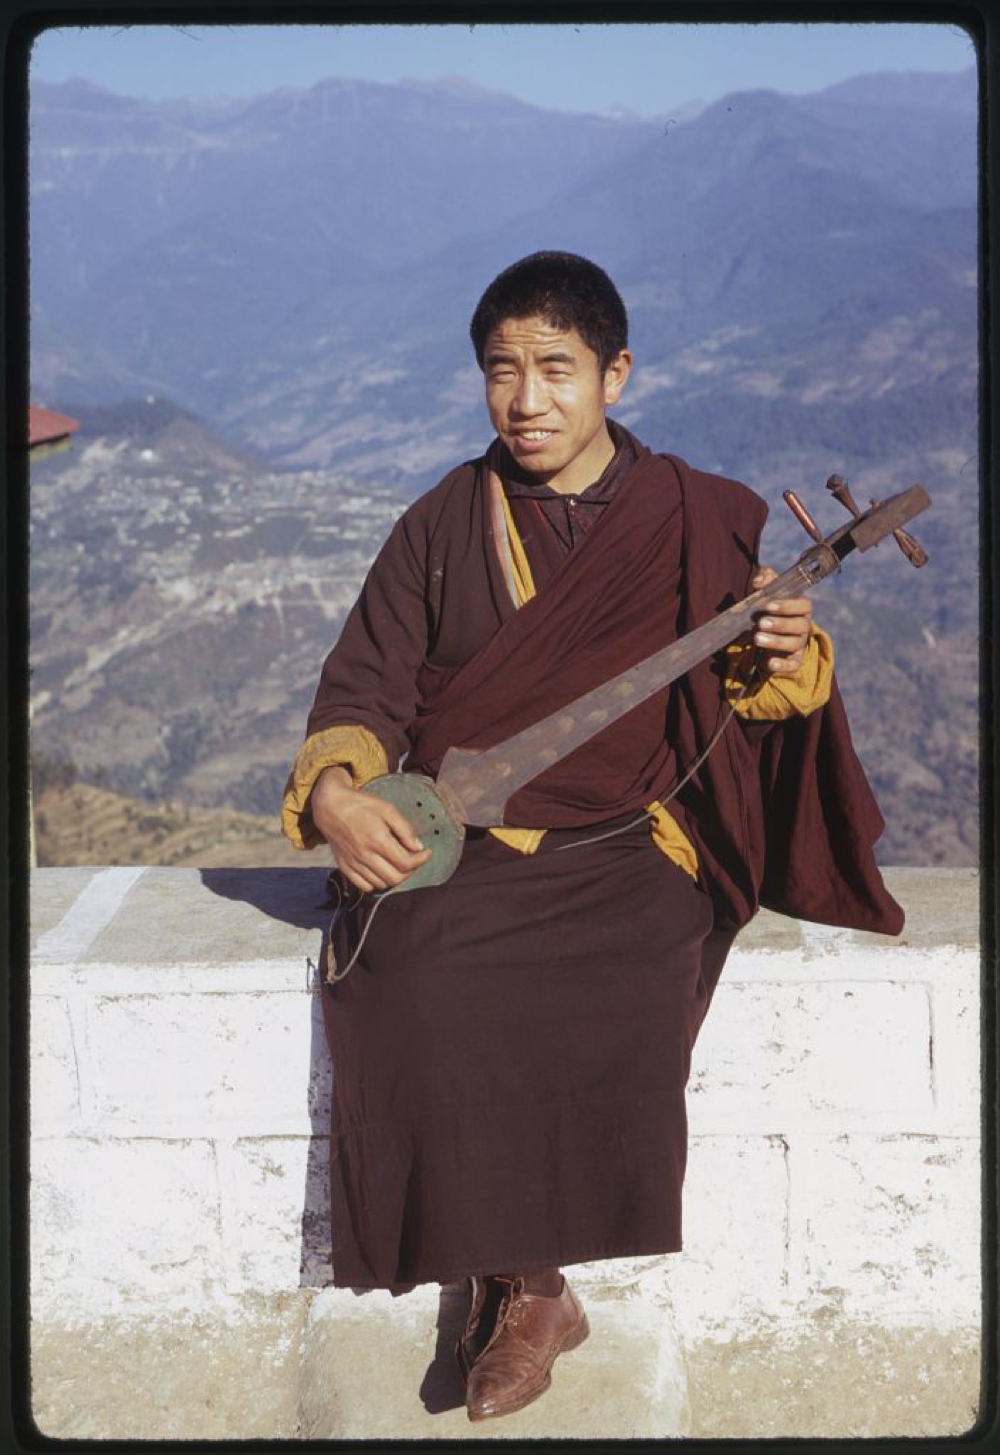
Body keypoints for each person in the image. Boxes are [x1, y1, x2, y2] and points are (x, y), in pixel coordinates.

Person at [281, 251, 902, 1422]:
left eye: (556, 370)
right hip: (477, 837)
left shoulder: (694, 513)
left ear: (614, 374)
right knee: (414, 968)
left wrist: (784, 658)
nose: (527, 400)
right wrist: (340, 800)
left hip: (638, 839)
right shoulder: (440, 524)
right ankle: (529, 1283)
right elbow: (360, 691)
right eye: (501, 371)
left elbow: (747, 700)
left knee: (619, 977)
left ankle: (525, 1290)